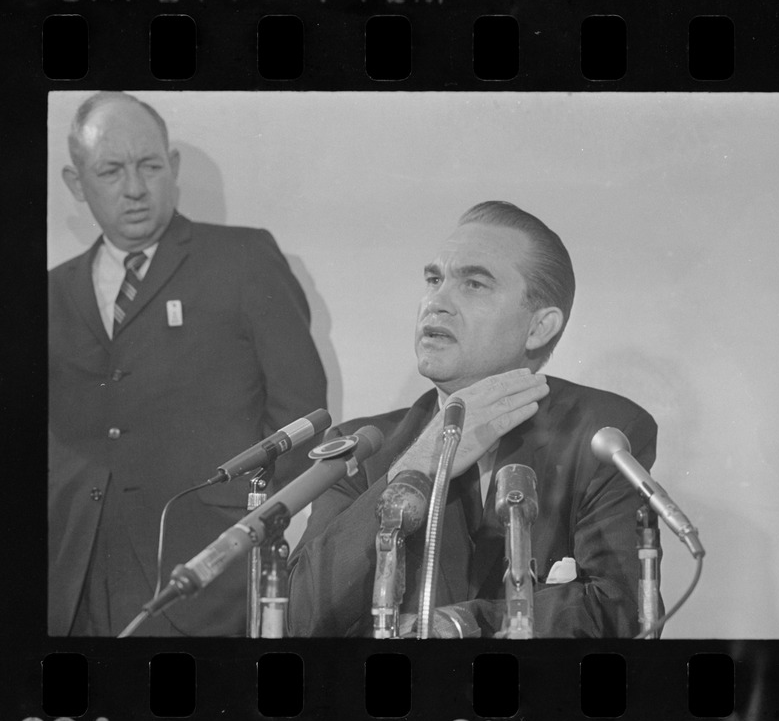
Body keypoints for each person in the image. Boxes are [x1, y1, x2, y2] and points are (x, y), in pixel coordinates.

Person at [286, 201, 658, 638]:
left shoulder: (602, 434)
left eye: (474, 284)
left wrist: (462, 622)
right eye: (434, 280)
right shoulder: (365, 445)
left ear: (539, 327)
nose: (436, 303)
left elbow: (620, 609)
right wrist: (419, 464)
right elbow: (298, 619)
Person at [48, 92, 328, 637]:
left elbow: (304, 416)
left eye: (149, 165)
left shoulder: (243, 259)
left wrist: (247, 523)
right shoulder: (50, 292)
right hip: (69, 578)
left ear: (171, 167)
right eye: (110, 171)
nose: (134, 189)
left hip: (206, 575)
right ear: (76, 183)